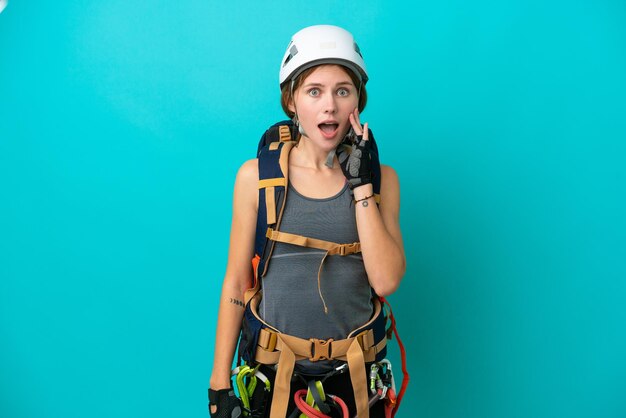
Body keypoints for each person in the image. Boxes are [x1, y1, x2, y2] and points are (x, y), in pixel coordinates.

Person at [209, 25, 406, 418]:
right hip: (273, 374)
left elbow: (386, 282)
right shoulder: (256, 178)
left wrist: (362, 187)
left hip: (352, 379)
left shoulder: (384, 181)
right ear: (292, 102)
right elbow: (235, 281)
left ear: (357, 103)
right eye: (314, 91)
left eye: (342, 90)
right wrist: (218, 383)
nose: (329, 106)